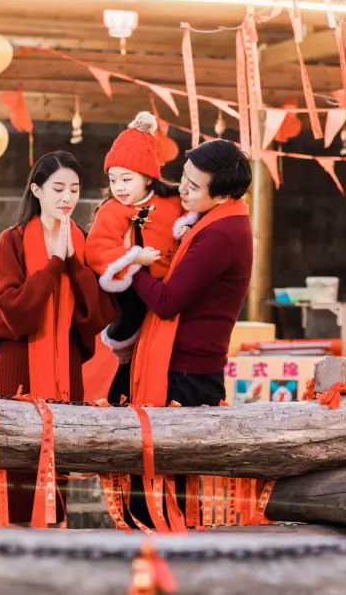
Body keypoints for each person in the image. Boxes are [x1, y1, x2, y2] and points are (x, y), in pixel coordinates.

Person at [112, 138, 253, 531]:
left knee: (167, 488)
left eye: (194, 186)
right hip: (187, 364)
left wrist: (131, 263)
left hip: (186, 373)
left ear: (223, 193)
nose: (183, 190)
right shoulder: (214, 220)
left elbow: (167, 301)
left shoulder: (220, 234)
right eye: (183, 179)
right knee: (167, 483)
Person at [0, 151, 116, 526]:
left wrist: (74, 261)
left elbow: (99, 313)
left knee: (57, 446)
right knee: (14, 448)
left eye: (74, 189)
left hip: (64, 363)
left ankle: (51, 538)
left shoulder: (83, 241)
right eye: (58, 188)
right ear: (37, 189)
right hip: (18, 358)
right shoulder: (11, 241)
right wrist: (54, 262)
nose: (67, 198)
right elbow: (13, 307)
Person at [84, 112, 194, 395]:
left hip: (169, 287)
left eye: (127, 179)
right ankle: (123, 350)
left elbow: (193, 214)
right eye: (113, 179)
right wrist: (133, 257)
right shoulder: (112, 209)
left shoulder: (171, 198)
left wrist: (185, 227)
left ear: (147, 177)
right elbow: (97, 248)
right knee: (131, 328)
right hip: (133, 284)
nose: (119, 188)